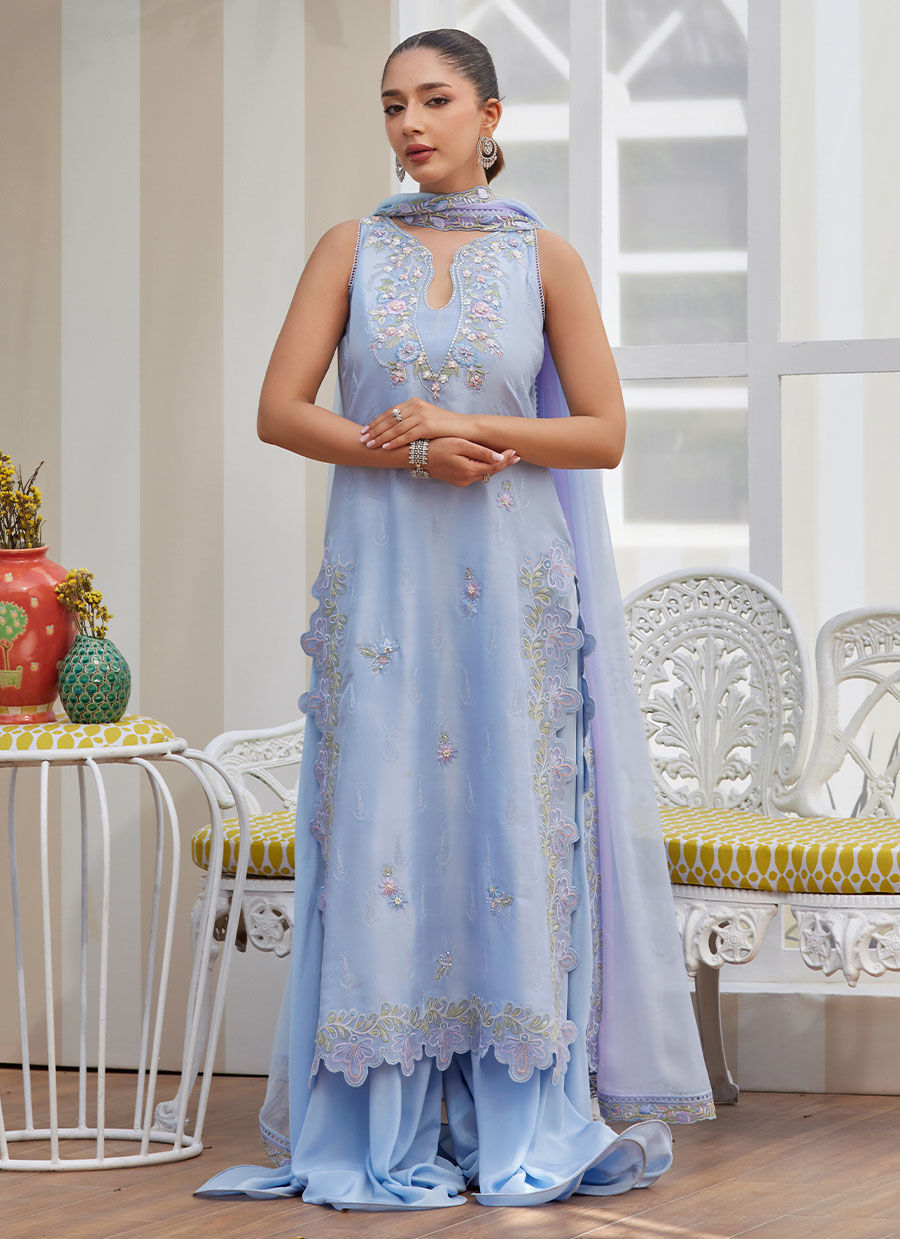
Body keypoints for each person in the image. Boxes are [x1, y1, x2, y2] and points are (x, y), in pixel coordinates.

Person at [197, 27, 713, 1212]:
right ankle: (382, 1110)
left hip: (514, 594)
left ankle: (516, 1106)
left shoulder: (545, 259)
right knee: (382, 818)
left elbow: (602, 434)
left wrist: (473, 429)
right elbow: (281, 409)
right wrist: (413, 454)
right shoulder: (349, 248)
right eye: (393, 105)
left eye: (434, 100)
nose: (410, 124)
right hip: (382, 583)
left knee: (508, 825)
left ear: (489, 116)